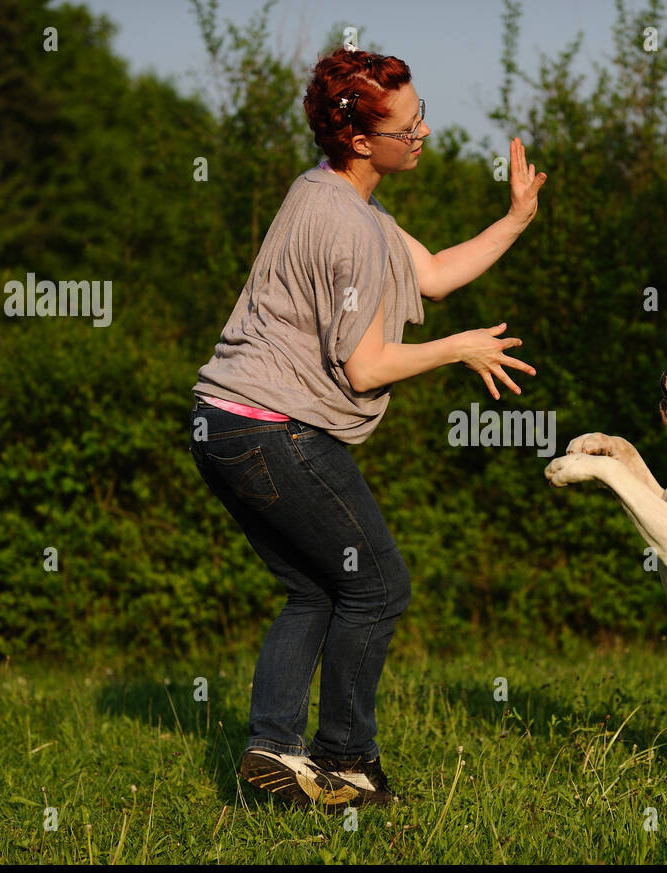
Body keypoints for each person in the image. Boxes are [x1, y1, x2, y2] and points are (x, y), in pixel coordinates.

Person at [187, 47, 547, 811]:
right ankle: (346, 761)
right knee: (379, 586)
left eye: (420, 118)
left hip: (220, 425)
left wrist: (516, 218)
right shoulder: (348, 229)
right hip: (269, 430)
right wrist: (459, 349)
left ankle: (272, 751)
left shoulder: (335, 200)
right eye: (407, 127)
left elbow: (436, 275)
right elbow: (365, 368)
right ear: (360, 140)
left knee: (313, 589)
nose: (423, 134)